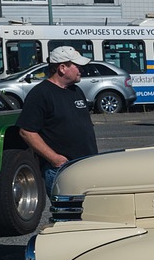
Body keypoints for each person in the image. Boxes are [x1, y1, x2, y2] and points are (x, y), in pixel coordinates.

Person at [17, 46, 98, 198]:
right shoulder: (41, 94)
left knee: (88, 215)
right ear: (62, 68)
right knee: (67, 215)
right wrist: (55, 159)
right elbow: (27, 131)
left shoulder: (76, 91)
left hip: (87, 166)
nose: (81, 69)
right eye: (76, 65)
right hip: (63, 169)